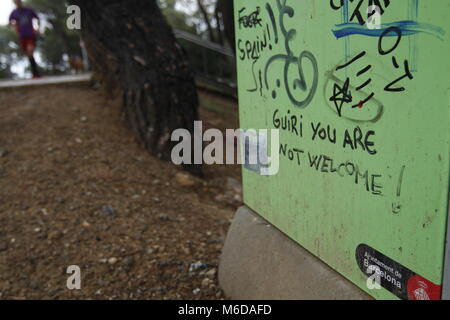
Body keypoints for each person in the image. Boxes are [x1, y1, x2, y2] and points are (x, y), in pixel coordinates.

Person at [9, 0, 41, 78]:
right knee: (28, 55)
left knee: (30, 51)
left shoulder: (29, 11)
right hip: (22, 36)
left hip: (30, 35)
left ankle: (35, 73)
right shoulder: (14, 13)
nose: (17, 3)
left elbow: (37, 19)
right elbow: (10, 22)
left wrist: (37, 29)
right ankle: (35, 73)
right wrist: (15, 26)